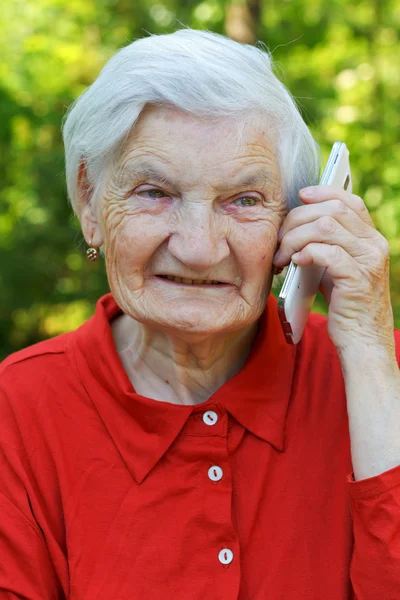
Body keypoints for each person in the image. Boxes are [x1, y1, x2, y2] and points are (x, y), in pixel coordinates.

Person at [1, 28, 400, 600]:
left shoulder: (381, 374)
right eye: (153, 192)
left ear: (293, 219)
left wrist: (368, 354)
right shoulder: (18, 408)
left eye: (243, 200)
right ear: (90, 202)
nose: (199, 247)